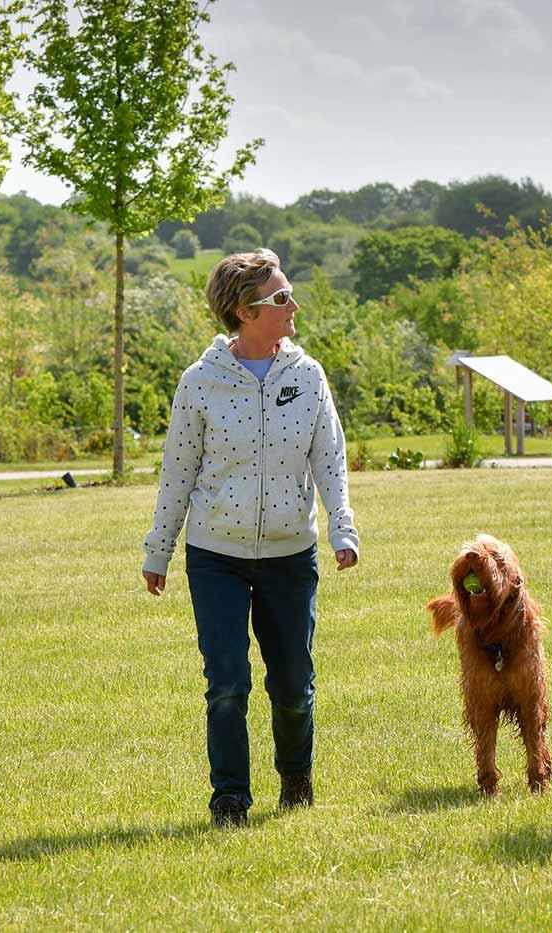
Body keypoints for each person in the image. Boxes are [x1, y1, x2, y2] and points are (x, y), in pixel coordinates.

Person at [141, 248, 360, 828]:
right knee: (227, 684)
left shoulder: (308, 376)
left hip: (291, 556)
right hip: (217, 557)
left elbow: (330, 460)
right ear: (244, 310)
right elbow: (178, 470)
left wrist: (343, 529)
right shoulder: (200, 383)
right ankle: (230, 799)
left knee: (293, 685)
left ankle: (296, 778)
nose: (293, 307)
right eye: (281, 298)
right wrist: (158, 549)